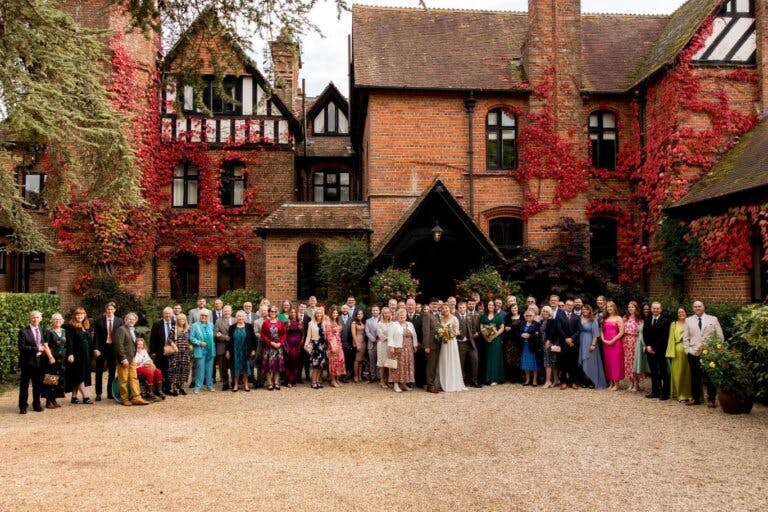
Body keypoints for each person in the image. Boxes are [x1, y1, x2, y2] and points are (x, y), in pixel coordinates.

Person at [683, 301, 723, 407]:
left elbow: (720, 336)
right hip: (694, 353)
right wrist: (687, 350)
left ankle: (711, 399)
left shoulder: (713, 319)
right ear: (693, 308)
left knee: (710, 377)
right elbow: (685, 338)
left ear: (703, 307)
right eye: (695, 306)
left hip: (709, 353)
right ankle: (696, 398)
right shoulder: (688, 320)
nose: (697, 308)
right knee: (695, 376)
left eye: (699, 306)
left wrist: (716, 350)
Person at [113, 312, 149, 406]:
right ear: (126, 320)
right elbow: (118, 345)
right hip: (124, 359)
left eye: (133, 319)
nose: (131, 321)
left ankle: (136, 397)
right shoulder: (121, 329)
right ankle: (124, 399)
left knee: (134, 378)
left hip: (132, 358)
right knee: (123, 380)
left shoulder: (132, 330)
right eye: (130, 319)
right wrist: (123, 359)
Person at [18, 310, 50, 413]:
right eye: (33, 317)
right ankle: (23, 406)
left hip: (39, 362)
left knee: (38, 385)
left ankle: (36, 404)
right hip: (27, 362)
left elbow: (45, 345)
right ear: (30, 318)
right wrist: (37, 349)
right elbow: (22, 347)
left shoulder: (42, 330)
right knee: (24, 385)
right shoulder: (23, 331)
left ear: (40, 319)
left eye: (37, 317)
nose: (35, 319)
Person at [92, 302, 122, 401]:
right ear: (105, 310)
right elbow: (96, 336)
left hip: (113, 349)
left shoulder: (119, 321)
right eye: (108, 309)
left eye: (111, 309)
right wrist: (96, 348)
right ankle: (98, 393)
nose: (110, 311)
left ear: (115, 310)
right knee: (99, 372)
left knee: (112, 372)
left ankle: (110, 393)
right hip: (102, 348)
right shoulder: (99, 321)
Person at [65, 307, 94, 404]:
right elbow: (69, 342)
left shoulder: (86, 326)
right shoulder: (70, 327)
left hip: (85, 354)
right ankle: (85, 397)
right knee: (80, 375)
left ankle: (74, 397)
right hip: (76, 354)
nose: (80, 316)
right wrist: (70, 354)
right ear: (74, 316)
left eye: (81, 314)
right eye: (78, 314)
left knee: (79, 375)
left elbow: (89, 341)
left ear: (84, 315)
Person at [665, 305, 693, 403]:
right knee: (678, 373)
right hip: (677, 350)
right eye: (679, 312)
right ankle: (679, 394)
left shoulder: (691, 322)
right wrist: (671, 353)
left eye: (682, 312)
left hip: (689, 350)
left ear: (686, 313)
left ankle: (689, 394)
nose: (681, 314)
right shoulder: (674, 324)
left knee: (688, 373)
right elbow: (671, 339)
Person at [643, 302, 671, 400]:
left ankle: (665, 393)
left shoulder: (666, 321)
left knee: (663, 372)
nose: (655, 310)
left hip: (661, 350)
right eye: (654, 308)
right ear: (651, 309)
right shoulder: (647, 320)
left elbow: (664, 336)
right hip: (649, 350)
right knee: (653, 372)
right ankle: (655, 391)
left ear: (661, 309)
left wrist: (653, 347)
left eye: (657, 308)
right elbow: (645, 334)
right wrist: (647, 346)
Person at [387, 308, 418, 393]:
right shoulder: (394, 324)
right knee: (397, 367)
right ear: (397, 316)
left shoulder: (410, 324)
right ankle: (396, 384)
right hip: (398, 348)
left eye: (403, 315)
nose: (402, 316)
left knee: (407, 366)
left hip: (409, 349)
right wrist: (391, 346)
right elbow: (390, 336)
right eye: (400, 315)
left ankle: (403, 384)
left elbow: (414, 335)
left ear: (406, 316)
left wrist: (415, 345)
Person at [436, 303, 465, 392]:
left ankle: (452, 383)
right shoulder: (440, 319)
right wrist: (442, 334)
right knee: (443, 361)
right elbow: (438, 330)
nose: (445, 310)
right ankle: (442, 382)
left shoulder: (454, 318)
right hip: (443, 343)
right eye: (443, 308)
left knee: (451, 361)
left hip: (451, 342)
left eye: (446, 308)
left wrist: (448, 334)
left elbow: (457, 332)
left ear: (449, 309)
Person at [578, 305, 607, 389]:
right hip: (581, 341)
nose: (584, 311)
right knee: (583, 361)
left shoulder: (593, 320)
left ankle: (592, 380)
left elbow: (595, 334)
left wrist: (593, 344)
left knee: (590, 361)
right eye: (583, 309)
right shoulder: (579, 319)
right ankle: (584, 381)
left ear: (589, 311)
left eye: (586, 310)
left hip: (590, 341)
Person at [42, 313, 67, 409]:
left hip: (62, 359)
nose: (58, 321)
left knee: (59, 379)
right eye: (55, 319)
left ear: (62, 321)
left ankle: (54, 399)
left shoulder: (64, 331)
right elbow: (45, 345)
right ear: (52, 321)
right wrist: (50, 357)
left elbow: (65, 345)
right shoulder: (48, 331)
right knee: (51, 378)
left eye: (59, 319)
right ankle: (48, 401)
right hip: (52, 358)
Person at [228, 310, 256, 392]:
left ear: (245, 317)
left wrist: (253, 349)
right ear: (236, 318)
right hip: (235, 351)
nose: (240, 318)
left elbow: (253, 339)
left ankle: (246, 384)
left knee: (245, 367)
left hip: (246, 350)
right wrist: (227, 351)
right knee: (235, 367)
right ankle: (236, 384)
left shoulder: (249, 326)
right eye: (239, 316)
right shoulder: (232, 327)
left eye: (242, 316)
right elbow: (229, 341)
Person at [149, 306, 174, 394]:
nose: (168, 315)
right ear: (163, 314)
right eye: (166, 314)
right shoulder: (157, 324)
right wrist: (153, 351)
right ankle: (160, 389)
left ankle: (169, 388)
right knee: (161, 369)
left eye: (169, 314)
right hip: (160, 351)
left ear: (172, 314)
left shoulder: (175, 323)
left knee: (171, 370)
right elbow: (152, 339)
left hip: (172, 350)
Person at [455, 300, 480, 388]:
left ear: (466, 308)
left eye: (463, 307)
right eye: (460, 308)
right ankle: (462, 380)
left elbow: (474, 328)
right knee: (461, 363)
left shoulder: (470, 316)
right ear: (457, 309)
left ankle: (474, 379)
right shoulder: (455, 317)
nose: (462, 309)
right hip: (460, 343)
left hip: (470, 343)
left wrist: (474, 334)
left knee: (475, 360)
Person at [556, 299, 580, 390]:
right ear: (565, 306)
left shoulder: (577, 317)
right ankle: (564, 382)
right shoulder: (559, 316)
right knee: (563, 363)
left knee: (573, 363)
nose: (570, 306)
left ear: (573, 306)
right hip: (564, 343)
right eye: (568, 305)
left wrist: (572, 339)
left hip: (574, 344)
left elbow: (579, 330)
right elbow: (559, 329)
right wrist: (566, 339)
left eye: (571, 305)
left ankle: (573, 382)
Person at [190, 309, 215, 394]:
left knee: (209, 369)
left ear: (208, 317)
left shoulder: (211, 325)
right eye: (202, 315)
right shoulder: (194, 326)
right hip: (200, 350)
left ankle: (209, 385)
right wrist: (199, 342)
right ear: (199, 316)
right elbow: (191, 338)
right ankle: (198, 387)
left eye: (205, 316)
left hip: (210, 350)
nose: (204, 317)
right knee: (200, 369)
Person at [480, 300, 505, 386]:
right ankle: (487, 378)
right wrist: (486, 337)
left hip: (496, 340)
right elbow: (481, 328)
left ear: (495, 306)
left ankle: (495, 378)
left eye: (492, 305)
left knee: (495, 358)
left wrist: (494, 335)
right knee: (487, 358)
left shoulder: (498, 316)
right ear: (487, 306)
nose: (490, 306)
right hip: (486, 340)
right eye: (489, 305)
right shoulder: (483, 316)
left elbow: (502, 328)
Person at [601, 301, 625, 391]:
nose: (609, 308)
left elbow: (622, 332)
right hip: (606, 343)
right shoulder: (605, 318)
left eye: (611, 306)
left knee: (615, 363)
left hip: (615, 343)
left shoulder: (618, 318)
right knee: (608, 363)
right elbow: (601, 330)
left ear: (614, 307)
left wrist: (612, 340)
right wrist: (603, 339)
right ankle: (610, 382)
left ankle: (617, 383)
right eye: (607, 307)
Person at [261, 306, 286, 390]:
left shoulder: (280, 322)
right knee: (268, 366)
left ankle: (276, 382)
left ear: (277, 313)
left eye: (274, 312)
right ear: (269, 312)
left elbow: (284, 334)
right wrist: (271, 342)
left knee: (277, 366)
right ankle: (269, 383)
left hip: (278, 347)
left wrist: (280, 343)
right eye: (271, 311)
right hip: (269, 347)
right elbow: (263, 335)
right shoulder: (265, 323)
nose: (273, 313)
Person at [167, 313, 191, 396]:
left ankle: (181, 387)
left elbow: (190, 340)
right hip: (176, 353)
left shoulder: (187, 329)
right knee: (175, 370)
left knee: (184, 370)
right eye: (180, 319)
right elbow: (169, 339)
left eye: (183, 319)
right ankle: (174, 388)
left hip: (185, 352)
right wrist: (173, 344)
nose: (182, 321)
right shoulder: (174, 328)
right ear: (177, 320)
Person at [305, 308, 328, 389]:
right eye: (317, 313)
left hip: (322, 346)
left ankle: (318, 380)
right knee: (315, 365)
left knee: (320, 365)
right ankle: (313, 381)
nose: (319, 315)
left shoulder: (324, 323)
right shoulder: (311, 323)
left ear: (322, 314)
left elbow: (327, 335)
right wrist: (306, 345)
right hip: (315, 346)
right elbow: (308, 335)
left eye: (320, 313)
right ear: (315, 314)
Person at [422, 298, 442, 393]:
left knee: (434, 365)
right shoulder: (427, 315)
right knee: (430, 366)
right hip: (430, 345)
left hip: (437, 344)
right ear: (429, 305)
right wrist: (426, 346)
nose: (435, 306)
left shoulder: (438, 315)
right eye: (433, 304)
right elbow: (426, 331)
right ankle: (430, 385)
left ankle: (433, 383)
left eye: (436, 304)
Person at [623, 301, 643, 392]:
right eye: (629, 307)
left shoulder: (639, 319)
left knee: (635, 362)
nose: (630, 309)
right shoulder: (625, 318)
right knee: (628, 363)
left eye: (632, 307)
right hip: (626, 341)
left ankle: (636, 384)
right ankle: (631, 382)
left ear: (636, 308)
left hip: (635, 341)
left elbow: (641, 332)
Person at [519, 309, 542, 387]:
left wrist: (530, 336)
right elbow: (518, 332)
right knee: (525, 362)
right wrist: (521, 335)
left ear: (534, 316)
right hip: (524, 346)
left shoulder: (537, 324)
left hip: (532, 346)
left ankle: (535, 380)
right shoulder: (522, 323)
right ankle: (528, 379)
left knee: (534, 363)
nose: (528, 317)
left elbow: (538, 335)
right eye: (527, 315)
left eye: (530, 315)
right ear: (524, 316)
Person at [214, 305, 234, 390]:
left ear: (231, 311)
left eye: (228, 311)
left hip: (233, 347)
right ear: (223, 312)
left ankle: (234, 382)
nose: (226, 312)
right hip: (222, 346)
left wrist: (221, 334)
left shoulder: (235, 320)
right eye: (225, 311)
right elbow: (215, 334)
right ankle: (225, 383)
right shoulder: (218, 321)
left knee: (233, 365)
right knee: (222, 367)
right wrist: (224, 337)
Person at [539, 306, 559, 389]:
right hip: (544, 343)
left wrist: (548, 341)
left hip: (550, 343)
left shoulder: (552, 321)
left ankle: (548, 381)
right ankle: (556, 379)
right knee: (552, 362)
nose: (544, 313)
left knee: (547, 362)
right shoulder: (542, 321)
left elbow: (553, 332)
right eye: (543, 311)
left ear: (550, 313)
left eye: (546, 311)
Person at [283, 309, 304, 387]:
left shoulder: (300, 323)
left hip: (297, 346)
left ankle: (293, 380)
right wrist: (286, 346)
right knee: (289, 363)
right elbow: (284, 335)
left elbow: (303, 335)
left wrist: (300, 345)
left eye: (294, 312)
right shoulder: (287, 323)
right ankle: (288, 380)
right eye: (291, 312)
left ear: (296, 313)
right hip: (289, 346)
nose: (293, 313)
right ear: (290, 314)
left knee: (295, 363)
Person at [376, 307, 394, 389]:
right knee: (382, 363)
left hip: (390, 345)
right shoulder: (379, 324)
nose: (387, 314)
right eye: (385, 313)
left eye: (388, 313)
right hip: (382, 345)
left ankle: (387, 380)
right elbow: (381, 336)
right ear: (382, 314)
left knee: (388, 363)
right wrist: (390, 337)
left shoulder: (393, 323)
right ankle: (382, 380)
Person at [503, 303, 522, 383]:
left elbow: (521, 327)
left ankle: (518, 376)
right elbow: (506, 328)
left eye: (515, 308)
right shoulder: (507, 317)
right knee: (510, 358)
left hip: (518, 340)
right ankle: (511, 377)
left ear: (518, 309)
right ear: (510, 310)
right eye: (512, 308)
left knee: (518, 358)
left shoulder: (522, 317)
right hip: (510, 340)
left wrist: (512, 327)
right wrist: (511, 327)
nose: (514, 309)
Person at [350, 308, 367, 383]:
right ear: (356, 315)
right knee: (356, 360)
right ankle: (355, 376)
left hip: (363, 342)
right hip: (357, 341)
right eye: (358, 314)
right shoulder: (354, 323)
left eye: (361, 314)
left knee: (361, 360)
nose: (360, 315)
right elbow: (353, 335)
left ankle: (360, 375)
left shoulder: (363, 322)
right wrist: (357, 344)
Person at [339, 304, 355, 381]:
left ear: (348, 310)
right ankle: (340, 375)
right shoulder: (338, 318)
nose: (345, 310)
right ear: (341, 309)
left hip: (348, 343)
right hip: (339, 343)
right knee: (341, 360)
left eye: (346, 308)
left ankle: (346, 375)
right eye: (343, 308)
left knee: (348, 360)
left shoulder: (352, 319)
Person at [365, 305, 380, 383]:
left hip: (380, 343)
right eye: (373, 310)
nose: (375, 311)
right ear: (371, 311)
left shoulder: (382, 319)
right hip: (371, 343)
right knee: (372, 361)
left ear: (379, 311)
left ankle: (379, 376)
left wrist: (379, 339)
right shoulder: (368, 321)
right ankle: (373, 376)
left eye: (376, 310)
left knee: (379, 361)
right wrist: (373, 339)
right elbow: (367, 332)